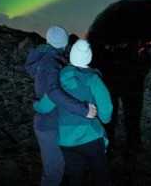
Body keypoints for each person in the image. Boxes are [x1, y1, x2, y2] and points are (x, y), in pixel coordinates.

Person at [25, 26, 98, 186]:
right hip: (49, 124)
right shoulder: (50, 62)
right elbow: (53, 92)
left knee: (59, 168)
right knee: (54, 172)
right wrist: (83, 109)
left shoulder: (46, 58)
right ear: (64, 43)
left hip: (48, 121)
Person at [51, 39, 113, 186]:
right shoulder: (93, 78)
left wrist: (37, 106)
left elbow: (45, 106)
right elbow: (106, 110)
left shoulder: (57, 78)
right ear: (89, 57)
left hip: (65, 140)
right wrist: (105, 119)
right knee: (101, 177)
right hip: (90, 137)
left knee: (75, 179)